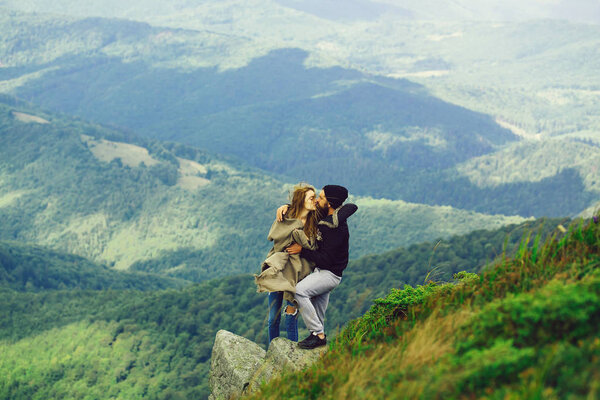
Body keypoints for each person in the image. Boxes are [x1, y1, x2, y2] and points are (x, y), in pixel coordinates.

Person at [283, 185, 357, 349]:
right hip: (326, 272)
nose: (317, 200)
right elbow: (351, 206)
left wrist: (302, 251)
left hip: (329, 274)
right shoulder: (330, 216)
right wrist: (287, 207)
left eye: (321, 198)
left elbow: (325, 260)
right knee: (318, 311)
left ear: (329, 203)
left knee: (299, 290)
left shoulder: (334, 229)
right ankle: (317, 338)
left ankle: (319, 335)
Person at [255, 184, 320, 344]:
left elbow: (316, 247)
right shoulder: (286, 216)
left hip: (297, 274)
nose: (315, 200)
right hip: (278, 270)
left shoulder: (315, 222)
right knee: (273, 318)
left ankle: (292, 353)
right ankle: (273, 352)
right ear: (301, 201)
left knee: (291, 316)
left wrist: (301, 247)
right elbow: (275, 238)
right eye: (311, 198)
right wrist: (287, 207)